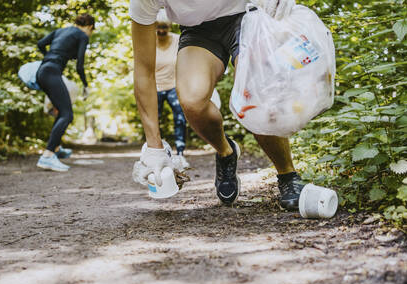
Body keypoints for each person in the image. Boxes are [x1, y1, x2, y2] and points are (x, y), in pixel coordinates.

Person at [130, 0, 305, 210]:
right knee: (192, 102)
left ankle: (288, 175)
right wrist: (154, 148)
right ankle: (226, 152)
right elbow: (143, 71)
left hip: (247, 15)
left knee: (255, 91)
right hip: (198, 31)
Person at [35, 13, 95, 172]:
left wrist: (49, 57)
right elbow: (80, 66)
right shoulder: (83, 35)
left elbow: (41, 44)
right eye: (92, 30)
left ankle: (55, 149)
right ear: (89, 26)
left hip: (42, 71)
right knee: (67, 114)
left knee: (61, 111)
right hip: (52, 72)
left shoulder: (60, 31)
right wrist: (85, 85)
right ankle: (47, 156)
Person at [154, 10, 189, 169]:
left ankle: (180, 153)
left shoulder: (177, 40)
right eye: (158, 27)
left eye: (164, 27)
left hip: (174, 86)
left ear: (169, 26)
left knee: (180, 118)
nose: (161, 31)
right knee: (155, 120)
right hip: (155, 87)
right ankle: (157, 154)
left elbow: (187, 60)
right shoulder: (149, 42)